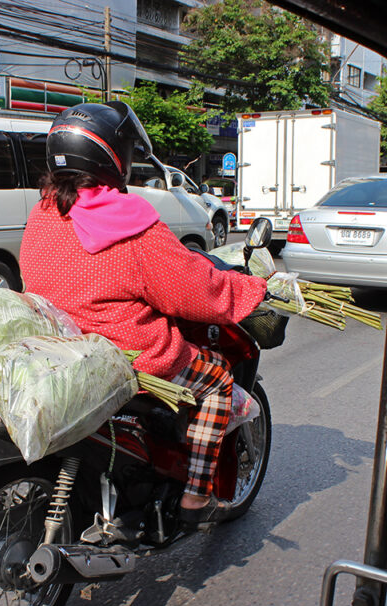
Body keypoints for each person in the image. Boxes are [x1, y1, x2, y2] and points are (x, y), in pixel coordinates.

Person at [18, 102, 268, 526]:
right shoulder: (126, 222)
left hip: (58, 343)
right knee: (219, 381)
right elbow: (195, 293)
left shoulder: (45, 211)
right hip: (123, 353)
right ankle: (194, 499)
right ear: (113, 156)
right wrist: (251, 287)